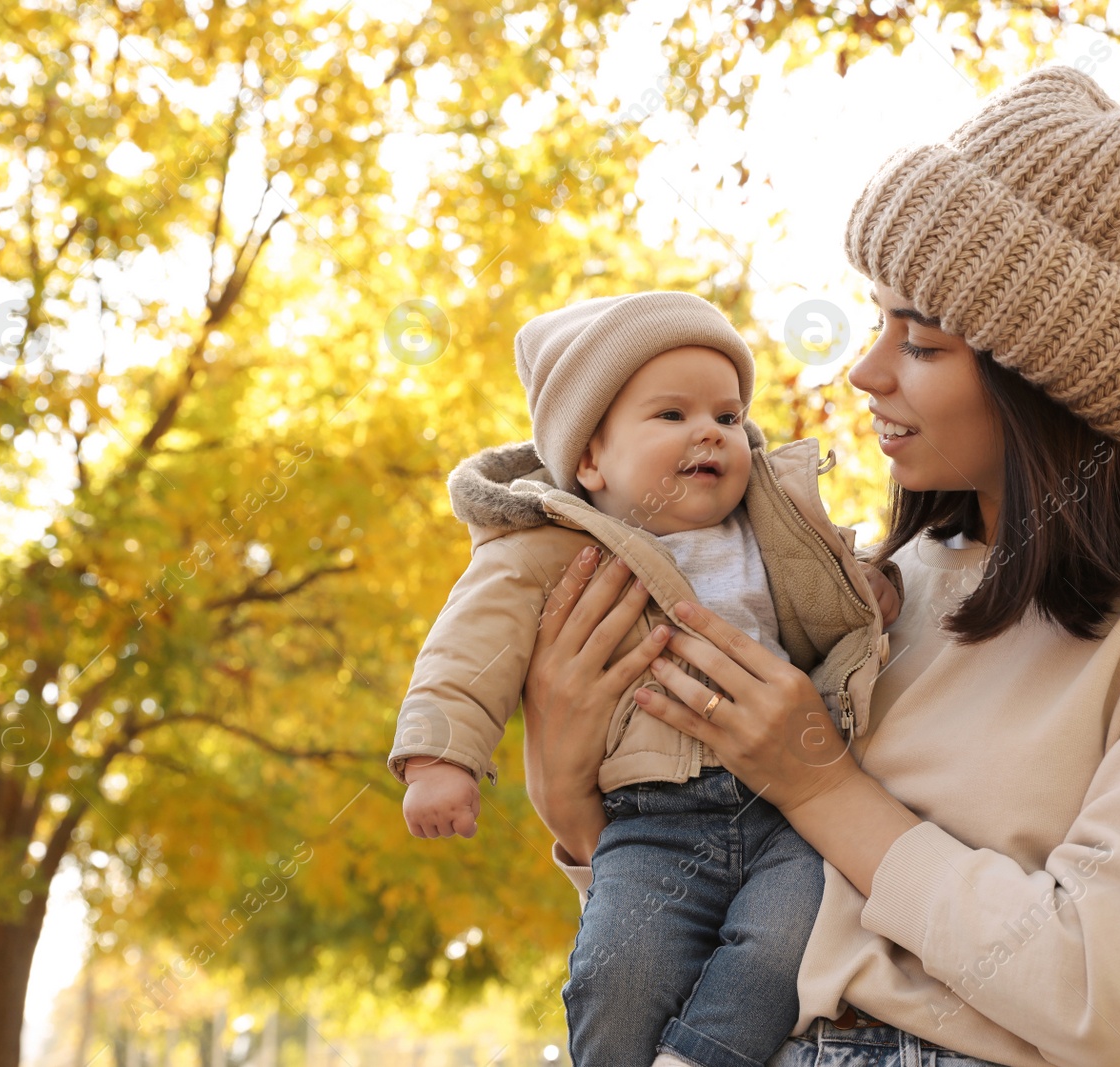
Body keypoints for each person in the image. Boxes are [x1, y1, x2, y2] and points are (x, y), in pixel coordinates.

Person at [521, 66, 1120, 1067]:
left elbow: (1109, 996)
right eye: (876, 318)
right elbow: (723, 926)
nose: (866, 369)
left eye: (924, 340)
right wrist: (574, 809)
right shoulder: (884, 583)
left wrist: (816, 778)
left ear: (1053, 377)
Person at [385, 290, 903, 1067]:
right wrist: (440, 758)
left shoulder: (774, 523)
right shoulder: (547, 550)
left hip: (788, 807)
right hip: (650, 819)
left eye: (728, 417)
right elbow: (466, 651)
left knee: (785, 947)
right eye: (671, 416)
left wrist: (876, 590)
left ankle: (700, 1056)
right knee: (617, 968)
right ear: (590, 459)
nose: (710, 432)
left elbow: (833, 593)